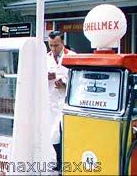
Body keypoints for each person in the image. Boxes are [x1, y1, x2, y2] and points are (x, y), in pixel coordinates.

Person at [47, 31, 76, 171]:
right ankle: (60, 161)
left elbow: (78, 78)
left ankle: (66, 160)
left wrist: (64, 83)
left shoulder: (72, 56)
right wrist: (46, 76)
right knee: (53, 133)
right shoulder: (46, 58)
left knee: (67, 132)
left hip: (67, 100)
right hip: (52, 101)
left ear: (62, 43)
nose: (53, 49)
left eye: (56, 45)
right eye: (51, 45)